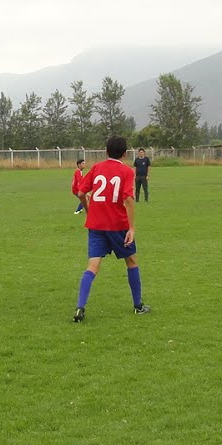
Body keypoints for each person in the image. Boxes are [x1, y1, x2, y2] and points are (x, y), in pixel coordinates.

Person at [72, 135, 150, 322]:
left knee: (92, 266)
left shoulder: (97, 168)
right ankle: (138, 306)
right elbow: (129, 200)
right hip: (118, 225)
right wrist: (131, 228)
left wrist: (89, 210)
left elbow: (82, 192)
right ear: (124, 154)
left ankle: (80, 308)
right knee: (131, 262)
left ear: (106, 151)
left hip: (96, 225)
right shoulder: (126, 171)